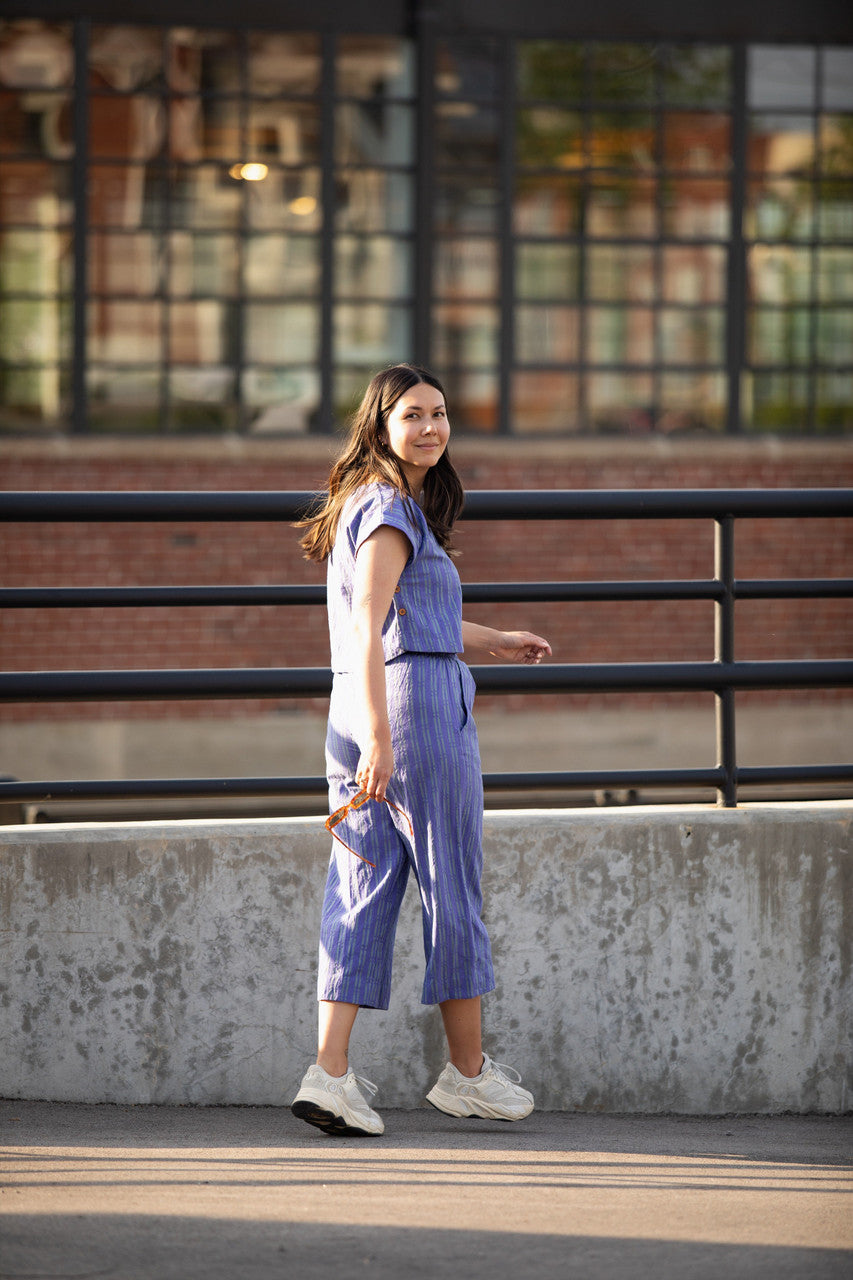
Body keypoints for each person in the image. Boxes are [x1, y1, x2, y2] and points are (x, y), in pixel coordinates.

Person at [291, 363, 551, 1137]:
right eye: (413, 415)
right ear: (380, 425)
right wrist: (382, 737)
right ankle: (466, 1075)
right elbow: (370, 619)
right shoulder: (389, 509)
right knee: (451, 886)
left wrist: (493, 639)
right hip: (413, 714)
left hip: (364, 706)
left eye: (440, 414)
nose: (432, 427)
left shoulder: (370, 506)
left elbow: (400, 618)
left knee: (361, 887)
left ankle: (329, 1075)